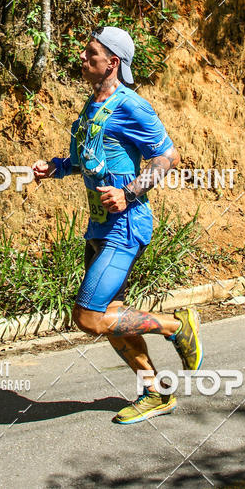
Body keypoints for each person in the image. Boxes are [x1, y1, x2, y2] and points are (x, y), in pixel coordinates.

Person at [32, 25, 203, 424]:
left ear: (113, 62)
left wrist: (130, 192)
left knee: (89, 317)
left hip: (126, 225)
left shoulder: (132, 105)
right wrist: (55, 168)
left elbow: (166, 157)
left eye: (91, 52)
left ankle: (176, 326)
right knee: (112, 314)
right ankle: (156, 393)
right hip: (99, 227)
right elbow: (86, 159)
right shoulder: (93, 105)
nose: (82, 57)